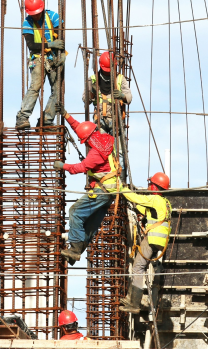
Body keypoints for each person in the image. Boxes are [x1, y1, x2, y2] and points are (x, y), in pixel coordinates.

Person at [56, 110, 120, 262]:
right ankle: (76, 251)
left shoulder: (95, 154)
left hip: (101, 191)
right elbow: (82, 128)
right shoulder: (104, 139)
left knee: (75, 212)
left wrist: (62, 166)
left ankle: (75, 248)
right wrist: (67, 116)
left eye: (83, 141)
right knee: (90, 225)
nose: (83, 142)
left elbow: (80, 168)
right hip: (110, 192)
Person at [119, 173, 172, 313]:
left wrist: (121, 188)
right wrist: (134, 206)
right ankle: (130, 297)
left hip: (152, 238)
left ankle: (134, 303)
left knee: (138, 268)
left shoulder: (154, 198)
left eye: (150, 184)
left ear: (154, 186)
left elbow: (136, 197)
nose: (148, 186)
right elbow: (148, 211)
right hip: (159, 241)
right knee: (140, 266)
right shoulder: (165, 202)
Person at [17, 0, 64, 129]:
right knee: (35, 87)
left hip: (53, 59)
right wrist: (50, 45)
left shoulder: (53, 17)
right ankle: (22, 117)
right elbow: (31, 45)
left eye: (37, 13)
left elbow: (60, 38)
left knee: (58, 90)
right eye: (34, 14)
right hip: (38, 59)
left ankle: (47, 120)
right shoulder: (27, 23)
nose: (36, 16)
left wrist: (62, 52)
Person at [83, 51, 132, 135]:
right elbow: (85, 100)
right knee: (102, 146)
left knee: (118, 148)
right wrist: (92, 93)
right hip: (100, 120)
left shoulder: (120, 79)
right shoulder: (93, 79)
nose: (108, 72)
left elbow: (129, 98)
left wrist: (122, 96)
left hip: (116, 120)